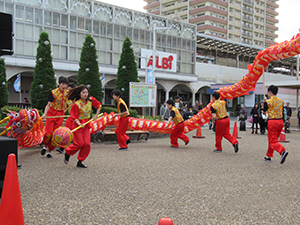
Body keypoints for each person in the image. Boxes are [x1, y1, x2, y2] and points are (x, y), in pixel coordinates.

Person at [64, 85, 101, 168]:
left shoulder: (91, 100)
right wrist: (79, 124)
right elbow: (74, 117)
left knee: (87, 144)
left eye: (86, 92)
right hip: (78, 125)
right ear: (79, 94)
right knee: (79, 144)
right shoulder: (76, 104)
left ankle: (80, 161)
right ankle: (68, 152)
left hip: (87, 124)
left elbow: (99, 106)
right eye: (83, 92)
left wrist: (96, 116)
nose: (85, 94)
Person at [41, 76, 69, 158]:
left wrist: (66, 110)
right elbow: (48, 104)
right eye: (62, 84)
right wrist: (44, 114)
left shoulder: (68, 93)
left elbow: (71, 102)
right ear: (59, 84)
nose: (64, 86)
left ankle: (49, 151)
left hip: (60, 115)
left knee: (55, 134)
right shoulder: (53, 92)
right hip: (52, 113)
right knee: (48, 133)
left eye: (65, 84)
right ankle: (45, 146)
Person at [263, 85, 288, 164]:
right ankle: (269, 155)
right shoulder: (281, 101)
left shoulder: (268, 102)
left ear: (270, 92)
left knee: (272, 141)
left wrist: (265, 102)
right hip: (280, 121)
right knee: (274, 139)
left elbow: (264, 112)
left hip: (272, 121)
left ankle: (282, 151)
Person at [57, 82, 76, 154]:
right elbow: (67, 106)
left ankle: (75, 147)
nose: (68, 92)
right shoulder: (67, 98)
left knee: (75, 133)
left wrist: (74, 100)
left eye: (70, 91)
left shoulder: (77, 98)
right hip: (70, 117)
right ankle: (62, 147)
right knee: (66, 132)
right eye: (67, 90)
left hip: (76, 118)